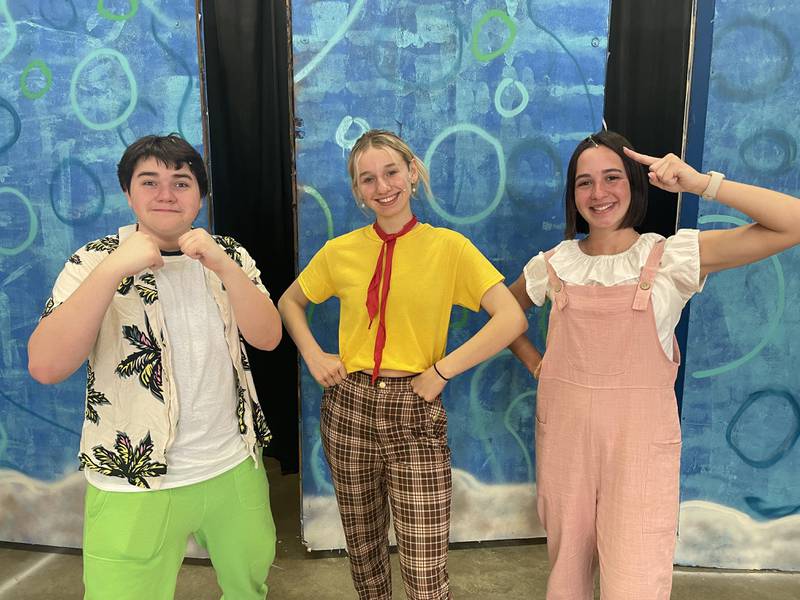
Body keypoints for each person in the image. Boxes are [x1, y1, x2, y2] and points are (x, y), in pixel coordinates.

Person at [507, 130, 800, 599]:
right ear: (572, 194)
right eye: (584, 183)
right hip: (564, 436)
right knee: (567, 573)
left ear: (635, 184)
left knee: (636, 576)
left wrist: (702, 183)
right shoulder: (554, 263)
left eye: (611, 177)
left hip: (639, 445)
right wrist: (537, 363)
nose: (598, 194)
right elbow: (503, 312)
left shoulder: (671, 257)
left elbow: (793, 223)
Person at [28, 134, 282, 600]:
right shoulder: (92, 260)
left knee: (249, 588)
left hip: (232, 465)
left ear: (200, 196)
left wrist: (224, 267)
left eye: (181, 182)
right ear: (128, 193)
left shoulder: (227, 254)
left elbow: (268, 337)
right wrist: (112, 272)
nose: (166, 194)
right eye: (150, 181)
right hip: (132, 480)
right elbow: (45, 366)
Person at [278, 129, 527, 599]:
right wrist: (314, 354)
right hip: (347, 408)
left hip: (415, 406)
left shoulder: (449, 248)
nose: (382, 186)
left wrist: (442, 372)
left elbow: (511, 318)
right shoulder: (340, 252)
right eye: (367, 179)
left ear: (412, 173)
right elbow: (290, 302)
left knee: (424, 565)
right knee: (365, 554)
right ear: (357, 191)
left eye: (391, 171)